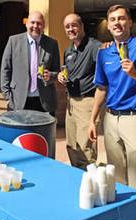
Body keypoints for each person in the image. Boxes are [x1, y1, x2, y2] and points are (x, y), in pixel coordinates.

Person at [88, 5, 136, 194]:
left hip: (135, 118)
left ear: (130, 23)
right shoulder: (104, 52)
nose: (117, 23)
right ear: (108, 26)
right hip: (110, 120)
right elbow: (101, 88)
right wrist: (92, 120)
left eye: (122, 18)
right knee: (116, 178)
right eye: (113, 19)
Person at [57, 13, 101, 170]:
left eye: (73, 25)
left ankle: (91, 182)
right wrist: (62, 76)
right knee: (71, 145)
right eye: (67, 27)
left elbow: (104, 73)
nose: (70, 29)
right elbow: (66, 71)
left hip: (87, 102)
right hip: (71, 103)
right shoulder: (68, 50)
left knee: (86, 147)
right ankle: (78, 177)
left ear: (82, 26)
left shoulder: (95, 46)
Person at [0, 11, 60, 115]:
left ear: (43, 25)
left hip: (44, 101)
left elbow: (57, 71)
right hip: (19, 99)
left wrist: (50, 76)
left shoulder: (52, 44)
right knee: (20, 131)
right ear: (27, 23)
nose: (35, 26)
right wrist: (7, 95)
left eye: (39, 23)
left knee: (42, 131)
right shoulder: (13, 41)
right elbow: (5, 68)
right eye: (32, 22)